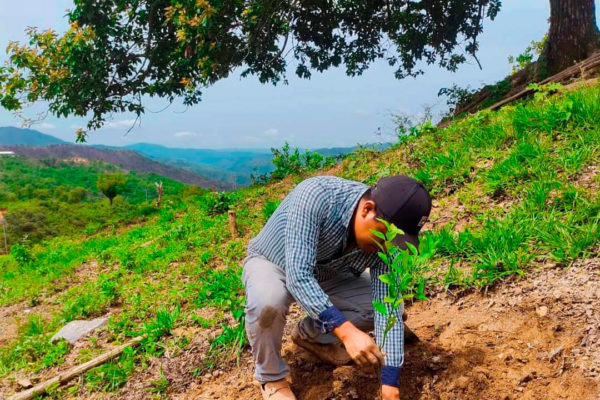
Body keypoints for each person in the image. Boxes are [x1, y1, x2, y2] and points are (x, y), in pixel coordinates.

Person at [243, 175, 432, 400]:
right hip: (275, 263)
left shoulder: (384, 242)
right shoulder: (316, 196)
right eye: (385, 237)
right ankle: (271, 377)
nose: (388, 246)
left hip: (330, 272)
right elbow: (298, 276)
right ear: (367, 209)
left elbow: (386, 304)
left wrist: (390, 385)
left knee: (392, 310)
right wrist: (347, 332)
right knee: (268, 303)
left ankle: (310, 335)